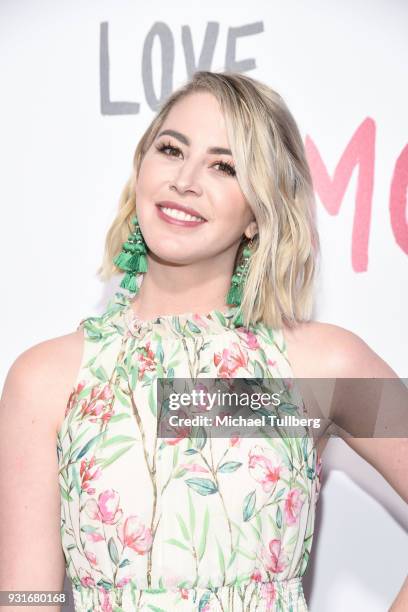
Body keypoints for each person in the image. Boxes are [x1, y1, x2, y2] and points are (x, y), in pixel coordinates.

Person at [0, 70, 407, 612]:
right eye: (171, 149)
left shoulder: (323, 365)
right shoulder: (45, 379)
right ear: (141, 167)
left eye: (224, 165)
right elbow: (26, 598)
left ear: (259, 213)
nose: (185, 180)